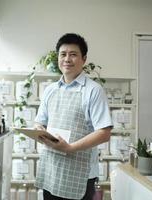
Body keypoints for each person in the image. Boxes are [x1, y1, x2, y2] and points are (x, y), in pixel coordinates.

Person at [34, 33, 113, 200]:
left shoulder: (93, 90)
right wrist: (39, 131)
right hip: (51, 168)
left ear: (83, 59)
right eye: (63, 54)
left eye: (73, 54)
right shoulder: (50, 90)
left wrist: (70, 148)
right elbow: (39, 123)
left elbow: (104, 132)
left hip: (80, 172)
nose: (67, 59)